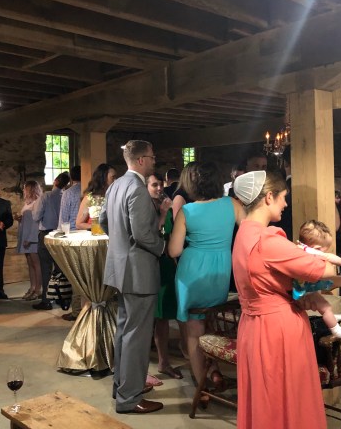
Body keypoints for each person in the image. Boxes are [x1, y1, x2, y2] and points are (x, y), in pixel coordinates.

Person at [231, 170, 341, 429]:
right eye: (283, 197)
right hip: (278, 329)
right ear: (269, 197)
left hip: (252, 325)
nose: (285, 204)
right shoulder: (266, 240)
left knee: (265, 398)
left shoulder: (243, 233)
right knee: (289, 397)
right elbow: (324, 270)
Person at [100, 140, 170, 415]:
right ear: (141, 160)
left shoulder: (116, 185)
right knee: (137, 337)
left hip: (120, 268)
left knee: (124, 331)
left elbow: (104, 221)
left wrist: (120, 244)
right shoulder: (138, 189)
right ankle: (130, 398)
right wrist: (163, 248)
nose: (154, 161)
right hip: (139, 271)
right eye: (151, 157)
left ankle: (122, 385)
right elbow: (142, 234)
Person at [169, 162, 244, 395]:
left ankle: (202, 385)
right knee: (212, 322)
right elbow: (250, 233)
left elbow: (174, 251)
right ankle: (214, 370)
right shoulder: (232, 204)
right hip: (220, 272)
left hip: (192, 273)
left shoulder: (187, 211)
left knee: (194, 332)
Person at [146, 174, 184, 380]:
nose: (159, 188)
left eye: (161, 184)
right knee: (149, 319)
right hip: (151, 266)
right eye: (154, 185)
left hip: (167, 265)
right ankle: (143, 369)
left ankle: (164, 362)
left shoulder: (167, 206)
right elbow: (151, 237)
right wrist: (162, 214)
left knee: (163, 317)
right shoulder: (144, 208)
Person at [294, 220, 341, 339]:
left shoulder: (299, 248)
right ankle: (336, 330)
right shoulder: (311, 252)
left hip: (301, 290)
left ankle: (331, 318)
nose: (324, 253)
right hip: (303, 293)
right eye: (324, 249)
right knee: (325, 308)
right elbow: (329, 258)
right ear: (317, 247)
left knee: (326, 306)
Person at [32, 172, 70, 310]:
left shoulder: (46, 196)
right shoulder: (65, 196)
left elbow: (36, 216)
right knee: (61, 268)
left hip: (46, 234)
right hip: (62, 234)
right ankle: (62, 298)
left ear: (55, 181)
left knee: (46, 268)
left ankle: (46, 300)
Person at [57, 166, 82, 320]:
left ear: (71, 178)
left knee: (75, 276)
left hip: (73, 236)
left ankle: (77, 310)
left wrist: (60, 236)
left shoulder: (69, 193)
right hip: (87, 234)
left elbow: (63, 219)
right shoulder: (90, 191)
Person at [16, 181, 42, 301]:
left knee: (36, 264)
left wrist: (30, 238)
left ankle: (38, 289)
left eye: (25, 189)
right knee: (30, 264)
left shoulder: (37, 203)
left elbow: (36, 223)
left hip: (32, 237)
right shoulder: (27, 203)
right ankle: (32, 287)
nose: (23, 190)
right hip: (25, 235)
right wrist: (19, 218)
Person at [75, 164, 117, 230]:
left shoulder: (114, 196)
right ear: (103, 179)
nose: (116, 180)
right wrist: (98, 227)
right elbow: (79, 224)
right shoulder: (90, 198)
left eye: (116, 177)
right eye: (113, 177)